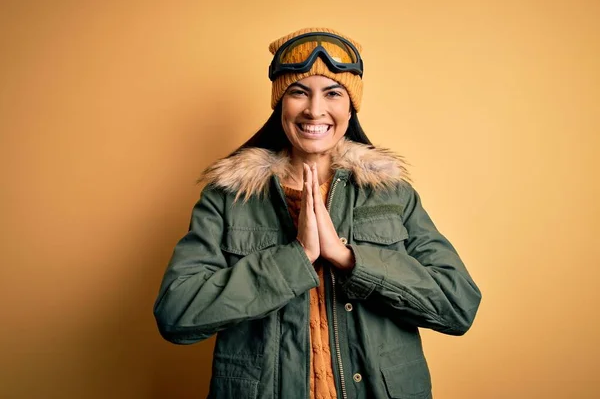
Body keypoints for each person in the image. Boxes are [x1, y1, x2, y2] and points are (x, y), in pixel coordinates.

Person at [154, 27, 482, 399]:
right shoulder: (228, 198)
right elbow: (176, 315)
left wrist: (346, 258)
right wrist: (297, 258)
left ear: (350, 106)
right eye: (298, 92)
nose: (314, 109)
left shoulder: (391, 194)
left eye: (332, 93)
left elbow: (458, 306)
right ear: (280, 103)